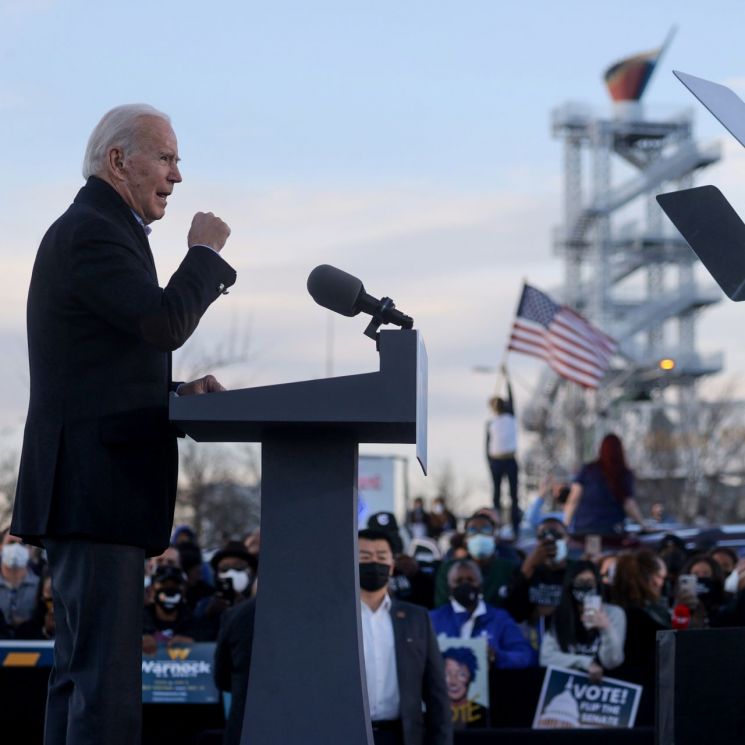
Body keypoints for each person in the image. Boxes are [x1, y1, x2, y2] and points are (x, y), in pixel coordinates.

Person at [9, 104, 236, 745]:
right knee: (104, 693)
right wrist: (203, 255)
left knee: (80, 682)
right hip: (94, 494)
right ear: (118, 161)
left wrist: (175, 392)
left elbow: (100, 374)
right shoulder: (93, 230)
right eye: (165, 158)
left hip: (90, 494)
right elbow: (163, 322)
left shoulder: (104, 229)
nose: (177, 176)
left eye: (177, 160)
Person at [358, 528, 452, 745]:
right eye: (364, 557)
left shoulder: (416, 618)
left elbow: (436, 691)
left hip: (400, 736)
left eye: (381, 557)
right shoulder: (336, 619)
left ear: (392, 565)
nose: (374, 563)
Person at [429, 560, 535, 668]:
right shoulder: (433, 619)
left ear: (481, 585)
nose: (465, 585)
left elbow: (525, 656)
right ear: (450, 588)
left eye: (470, 580)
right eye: (459, 581)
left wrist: (496, 656)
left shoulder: (499, 618)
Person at [540, 560, 625, 682]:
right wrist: (585, 663)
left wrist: (606, 628)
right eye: (580, 582)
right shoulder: (561, 615)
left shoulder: (614, 614)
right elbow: (546, 658)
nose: (585, 587)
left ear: (597, 585)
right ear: (570, 585)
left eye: (590, 582)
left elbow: (612, 661)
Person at [611, 550, 670, 726]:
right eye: (661, 577)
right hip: (640, 696)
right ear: (651, 578)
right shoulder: (638, 617)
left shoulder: (615, 609)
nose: (662, 584)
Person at [503, 518, 572, 654]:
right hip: (532, 643)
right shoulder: (526, 570)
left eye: (557, 535)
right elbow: (512, 612)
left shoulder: (575, 570)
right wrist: (529, 566)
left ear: (567, 539)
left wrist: (554, 611)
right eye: (543, 536)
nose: (550, 540)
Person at [563, 433, 644, 538]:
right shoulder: (624, 473)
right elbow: (629, 504)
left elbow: (573, 499)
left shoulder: (588, 470)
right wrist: (642, 524)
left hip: (584, 529)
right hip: (612, 530)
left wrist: (564, 526)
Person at [433, 512, 519, 608]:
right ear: (465, 540)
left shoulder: (510, 568)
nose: (479, 535)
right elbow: (442, 608)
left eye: (486, 529)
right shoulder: (449, 569)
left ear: (495, 538)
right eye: (472, 530)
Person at [194, 540, 257, 640]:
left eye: (238, 567)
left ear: (251, 572)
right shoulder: (204, 606)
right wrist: (208, 617)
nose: (231, 573)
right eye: (224, 569)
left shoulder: (259, 607)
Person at [486, 366, 520, 538]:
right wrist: (490, 464)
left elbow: (511, 398)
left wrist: (507, 378)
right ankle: (496, 526)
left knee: (514, 495)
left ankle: (515, 526)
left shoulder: (510, 416)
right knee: (496, 496)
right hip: (496, 460)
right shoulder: (491, 423)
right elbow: (486, 447)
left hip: (509, 459)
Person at [142, 565, 198, 652]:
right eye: (163, 584)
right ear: (151, 590)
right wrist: (140, 639)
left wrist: (194, 642)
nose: (170, 589)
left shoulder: (194, 621)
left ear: (184, 591)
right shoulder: (137, 621)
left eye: (175, 585)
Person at [441, 647, 489, 729]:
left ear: (470, 677)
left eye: (461, 674)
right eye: (447, 674)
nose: (453, 682)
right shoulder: (431, 713)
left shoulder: (483, 713)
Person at [0, 531, 39, 629]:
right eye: (11, 543)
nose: (16, 548)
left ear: (30, 550)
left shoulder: (40, 585)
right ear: (1, 547)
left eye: (22, 544)